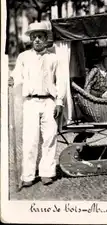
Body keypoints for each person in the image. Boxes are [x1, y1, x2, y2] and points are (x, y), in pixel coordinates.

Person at [9, 22, 66, 187]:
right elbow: (17, 74)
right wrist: (12, 79)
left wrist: (59, 102)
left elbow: (61, 81)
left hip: (49, 101)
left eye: (40, 36)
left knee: (49, 137)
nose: (37, 40)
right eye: (34, 37)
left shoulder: (54, 58)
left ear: (46, 38)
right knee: (30, 139)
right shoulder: (24, 57)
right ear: (30, 39)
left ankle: (46, 173)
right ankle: (27, 175)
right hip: (31, 102)